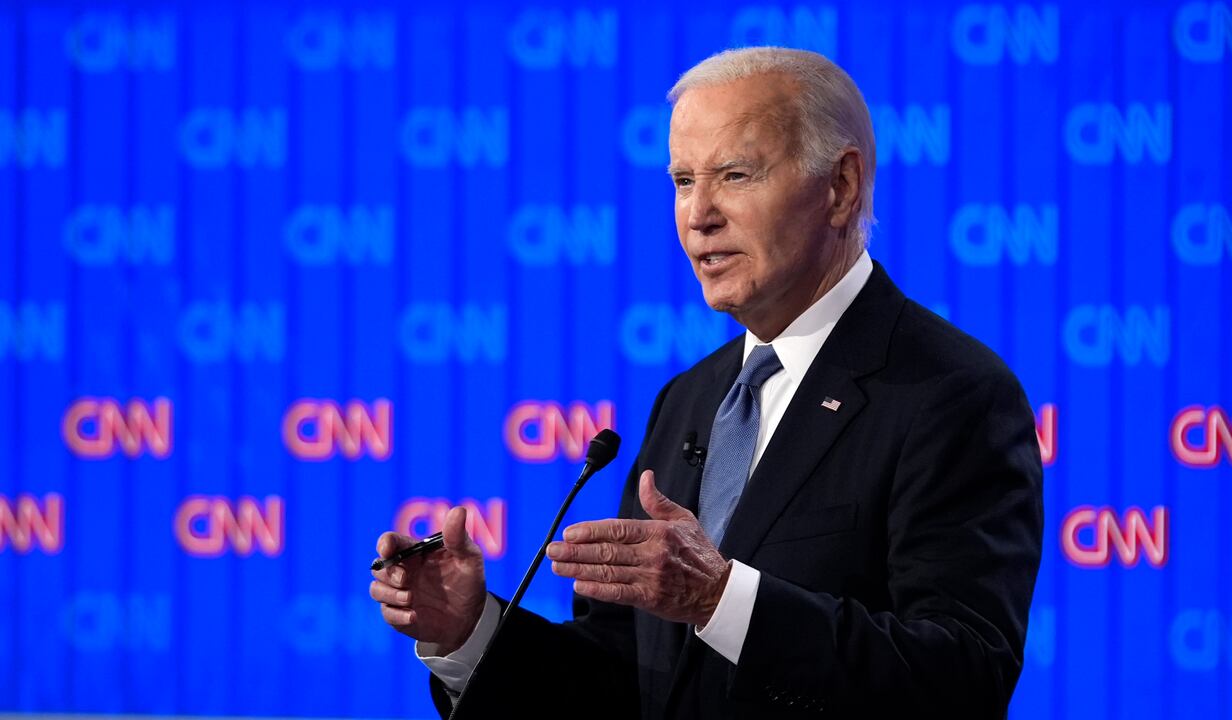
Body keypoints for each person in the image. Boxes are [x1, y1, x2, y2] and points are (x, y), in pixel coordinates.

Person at [370, 46, 1043, 719]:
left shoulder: (951, 393)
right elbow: (622, 680)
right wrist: (470, 633)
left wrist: (720, 600)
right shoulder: (691, 398)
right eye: (683, 179)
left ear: (839, 187)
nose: (699, 214)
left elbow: (961, 678)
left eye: (735, 174)